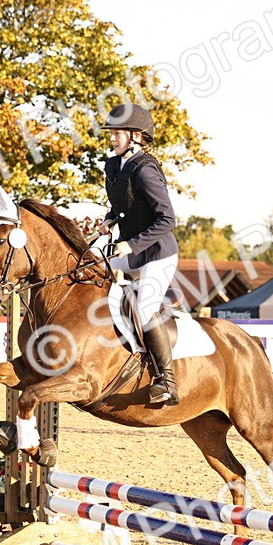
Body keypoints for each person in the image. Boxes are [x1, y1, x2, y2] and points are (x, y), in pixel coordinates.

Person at [98, 103, 180, 405]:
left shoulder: (145, 170)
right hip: (132, 252)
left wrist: (130, 244)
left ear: (135, 135)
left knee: (145, 308)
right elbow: (123, 206)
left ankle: (166, 381)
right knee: (91, 271)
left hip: (157, 253)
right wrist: (110, 220)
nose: (111, 138)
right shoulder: (116, 165)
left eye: (116, 133)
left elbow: (168, 219)